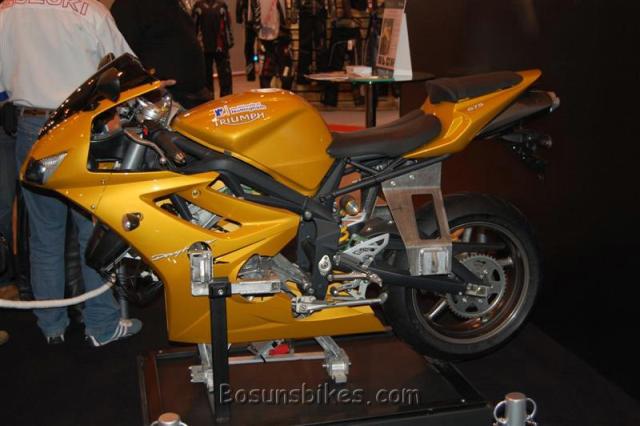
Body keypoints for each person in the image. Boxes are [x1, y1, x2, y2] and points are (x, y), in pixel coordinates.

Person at [0, 0, 142, 346]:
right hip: (81, 127)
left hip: (31, 126)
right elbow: (127, 68)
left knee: (43, 234)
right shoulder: (89, 11)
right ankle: (101, 326)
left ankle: (52, 326)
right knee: (91, 233)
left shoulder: (7, 12)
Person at [111, 0, 213, 109]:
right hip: (164, 102)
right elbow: (122, 59)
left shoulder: (172, 4)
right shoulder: (127, 6)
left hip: (195, 96)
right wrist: (148, 89)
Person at [193, 0, 234, 97]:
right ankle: (208, 99)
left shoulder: (221, 6)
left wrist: (229, 42)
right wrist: (194, 44)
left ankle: (226, 99)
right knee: (206, 77)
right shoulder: (198, 6)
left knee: (225, 76)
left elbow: (227, 25)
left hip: (220, 47)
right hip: (204, 47)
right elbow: (193, 27)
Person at [251, 0, 294, 90]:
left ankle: (283, 93)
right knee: (269, 74)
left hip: (276, 38)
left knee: (284, 73)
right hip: (270, 39)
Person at [236, 0, 258, 81]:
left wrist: (239, 17)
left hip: (259, 22)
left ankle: (265, 72)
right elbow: (239, 3)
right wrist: (239, 17)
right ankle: (250, 74)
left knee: (252, 49)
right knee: (248, 49)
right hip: (249, 24)